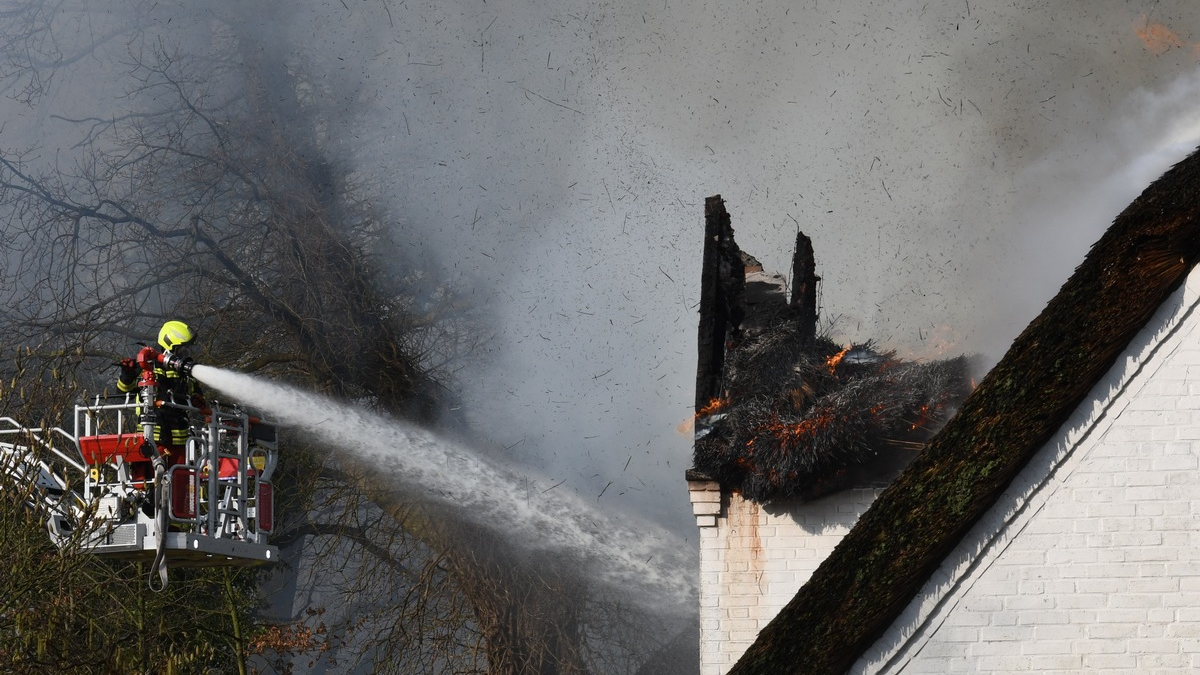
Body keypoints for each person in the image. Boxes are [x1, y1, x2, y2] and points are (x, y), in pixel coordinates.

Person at [117, 320, 206, 469]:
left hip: (179, 440)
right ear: (169, 347)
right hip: (150, 438)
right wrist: (127, 375)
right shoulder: (146, 366)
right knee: (146, 482)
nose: (185, 354)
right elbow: (122, 393)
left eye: (187, 350)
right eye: (182, 350)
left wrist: (199, 400)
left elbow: (198, 396)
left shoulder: (185, 376)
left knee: (180, 482)